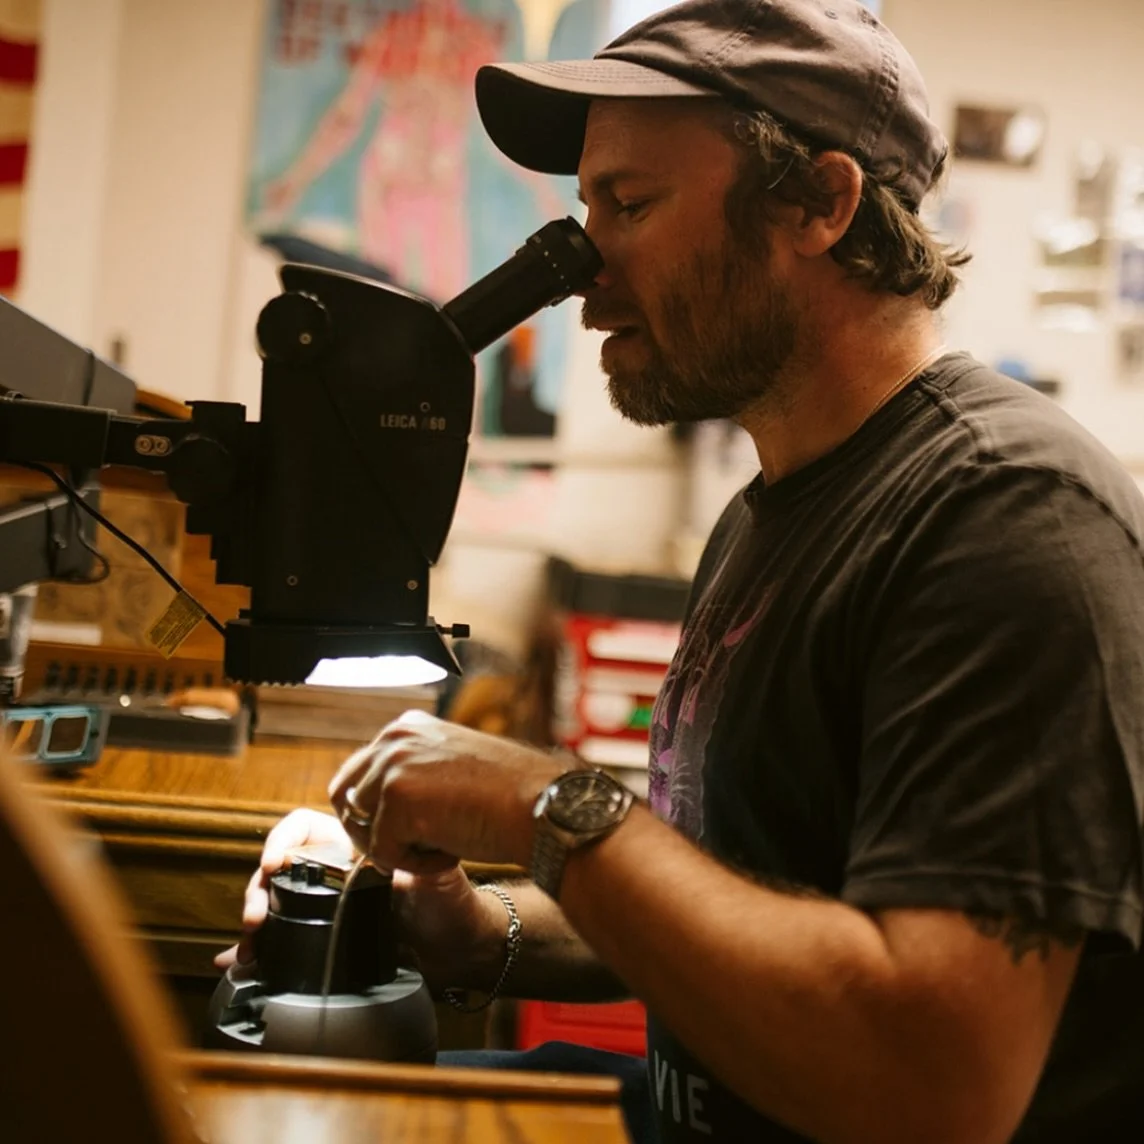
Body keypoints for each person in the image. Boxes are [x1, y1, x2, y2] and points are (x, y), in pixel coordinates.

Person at [219, 1, 1144, 1140]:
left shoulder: (1003, 519)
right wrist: (475, 928)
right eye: (583, 210)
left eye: (630, 206)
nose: (576, 274)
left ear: (817, 202)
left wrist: (538, 800)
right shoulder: (769, 512)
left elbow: (935, 1085)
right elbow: (738, 908)